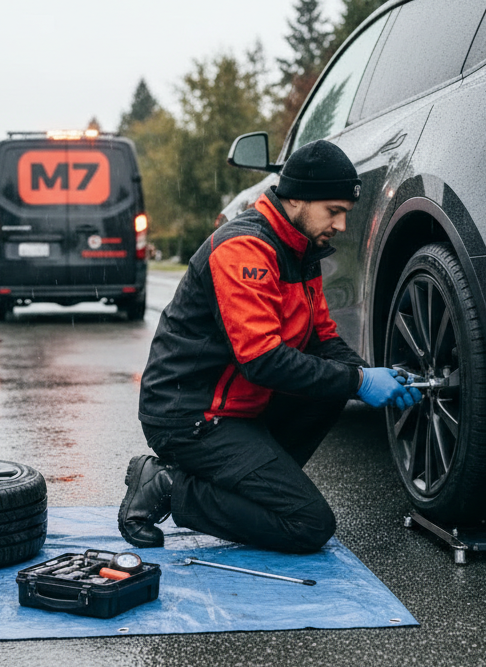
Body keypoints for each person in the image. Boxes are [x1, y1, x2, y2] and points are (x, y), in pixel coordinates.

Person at [120, 139, 422, 553]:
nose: (341, 225)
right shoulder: (245, 249)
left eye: (344, 214)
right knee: (307, 524)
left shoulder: (302, 249)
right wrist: (357, 381)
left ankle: (245, 486)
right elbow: (262, 362)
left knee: (333, 391)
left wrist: (372, 375)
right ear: (296, 199)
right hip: (190, 415)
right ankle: (169, 486)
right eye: (333, 212)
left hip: (241, 408)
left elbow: (324, 340)